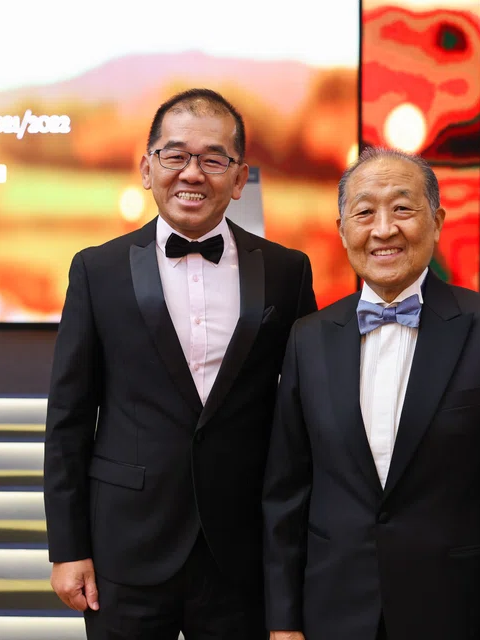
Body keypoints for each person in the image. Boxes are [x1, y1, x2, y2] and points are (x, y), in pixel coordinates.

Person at [44, 88, 317, 639]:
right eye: (175, 156)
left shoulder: (287, 272)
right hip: (125, 549)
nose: (192, 173)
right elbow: (69, 419)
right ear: (147, 169)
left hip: (241, 551)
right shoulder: (97, 270)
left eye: (213, 159)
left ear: (239, 178)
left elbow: (308, 413)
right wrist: (68, 548)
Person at [262, 147, 480, 640]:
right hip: (333, 613)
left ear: (436, 222)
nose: (383, 229)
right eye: (364, 212)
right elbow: (286, 494)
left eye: (402, 208)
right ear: (342, 230)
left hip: (456, 614)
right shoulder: (307, 338)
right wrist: (283, 622)